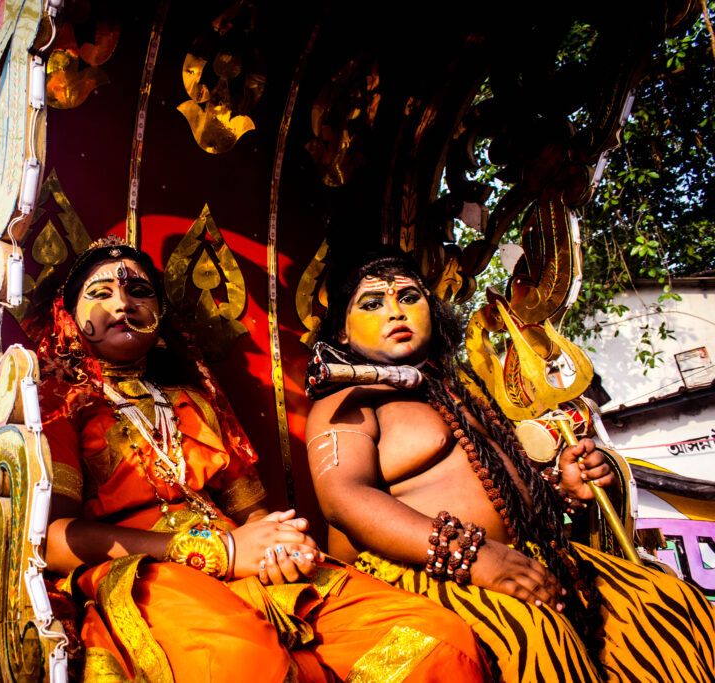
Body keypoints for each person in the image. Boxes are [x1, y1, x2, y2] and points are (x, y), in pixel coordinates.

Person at [37, 235, 488, 683]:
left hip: (247, 568)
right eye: (100, 293)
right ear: (69, 316)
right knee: (245, 663)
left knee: (438, 639)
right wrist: (220, 552)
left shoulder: (196, 400)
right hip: (148, 575)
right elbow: (55, 542)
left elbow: (253, 514)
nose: (122, 304)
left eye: (139, 292)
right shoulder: (61, 402)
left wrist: (277, 547)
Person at [304, 246, 715, 682]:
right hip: (430, 574)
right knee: (538, 638)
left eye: (409, 297)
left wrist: (563, 484)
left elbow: (504, 483)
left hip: (538, 559)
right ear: (343, 335)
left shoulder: (465, 390)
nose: (395, 312)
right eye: (372, 304)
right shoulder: (346, 400)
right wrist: (475, 556)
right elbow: (344, 500)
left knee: (662, 600)